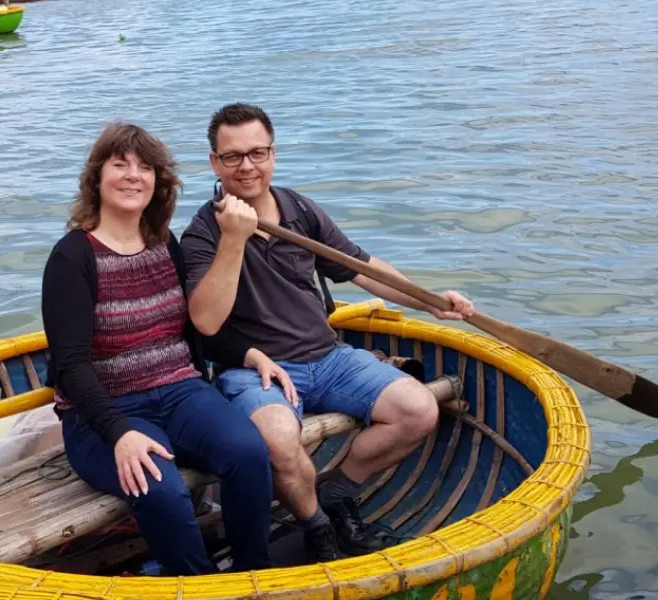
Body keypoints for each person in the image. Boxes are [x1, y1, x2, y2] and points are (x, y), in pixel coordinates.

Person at [180, 103, 475, 563]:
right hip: (257, 370)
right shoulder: (202, 233)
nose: (247, 166)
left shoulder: (299, 210)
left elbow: (362, 268)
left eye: (257, 153)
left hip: (329, 357)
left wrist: (430, 300)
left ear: (273, 155)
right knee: (277, 440)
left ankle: (335, 494)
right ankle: (319, 528)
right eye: (233, 156)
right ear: (214, 163)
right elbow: (206, 321)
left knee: (418, 410)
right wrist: (234, 238)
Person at [41, 122, 273, 576]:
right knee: (160, 488)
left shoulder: (165, 243)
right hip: (103, 414)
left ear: (158, 182)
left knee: (248, 452)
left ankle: (254, 577)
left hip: (180, 391)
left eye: (145, 167)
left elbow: (193, 327)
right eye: (120, 164)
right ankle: (198, 585)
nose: (133, 176)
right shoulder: (72, 257)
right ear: (96, 178)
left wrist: (247, 353)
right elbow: (69, 366)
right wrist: (119, 432)